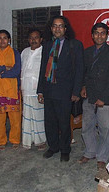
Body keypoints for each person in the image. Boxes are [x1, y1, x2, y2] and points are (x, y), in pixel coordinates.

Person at [37, 15, 84, 162]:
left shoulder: (74, 45)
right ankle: (53, 147)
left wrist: (76, 91)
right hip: (49, 89)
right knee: (49, 122)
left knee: (64, 122)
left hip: (65, 91)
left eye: (60, 26)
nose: (57, 29)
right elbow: (43, 67)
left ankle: (65, 149)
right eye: (55, 26)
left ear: (65, 28)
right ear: (51, 29)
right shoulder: (46, 45)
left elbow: (79, 70)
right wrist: (40, 90)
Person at [78, 23, 109, 170]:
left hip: (104, 96)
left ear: (107, 36)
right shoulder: (87, 52)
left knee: (104, 128)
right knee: (87, 126)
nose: (99, 36)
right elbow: (83, 72)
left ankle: (102, 156)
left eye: (102, 33)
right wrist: (83, 86)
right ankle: (90, 152)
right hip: (89, 94)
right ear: (92, 35)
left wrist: (104, 97)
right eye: (96, 33)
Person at [0, 30, 21, 151]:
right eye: (0, 38)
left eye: (5, 38)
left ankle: (15, 139)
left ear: (9, 40)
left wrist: (1, 74)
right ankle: (0, 140)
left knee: (15, 117)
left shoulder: (15, 53)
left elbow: (16, 71)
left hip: (12, 88)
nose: (2, 41)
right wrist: (5, 68)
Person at [21, 29, 46, 150]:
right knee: (27, 115)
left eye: (36, 37)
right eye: (31, 38)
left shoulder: (44, 52)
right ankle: (28, 139)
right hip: (26, 89)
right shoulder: (24, 52)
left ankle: (41, 140)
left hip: (38, 89)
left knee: (39, 116)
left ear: (41, 39)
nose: (33, 40)